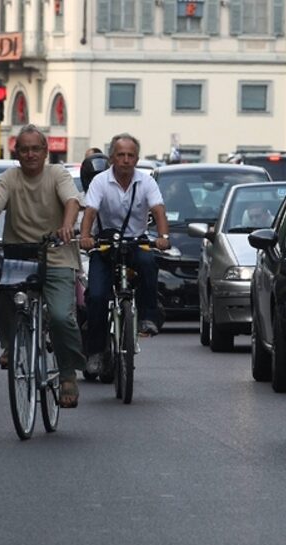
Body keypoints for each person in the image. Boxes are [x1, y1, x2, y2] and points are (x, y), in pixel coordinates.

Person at [0, 124, 85, 408]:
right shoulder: (9, 178)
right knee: (5, 297)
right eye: (24, 149)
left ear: (46, 152)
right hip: (20, 255)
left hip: (57, 254)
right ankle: (9, 345)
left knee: (61, 316)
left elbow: (72, 201)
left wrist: (66, 226)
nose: (30, 154)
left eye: (36, 149)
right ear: (17, 153)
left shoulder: (57, 174)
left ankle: (68, 373)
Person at [79, 133, 171, 378]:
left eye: (131, 155)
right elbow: (90, 211)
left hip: (135, 244)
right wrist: (86, 237)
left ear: (137, 158)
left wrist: (163, 237)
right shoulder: (100, 182)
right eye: (121, 155)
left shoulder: (146, 182)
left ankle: (147, 318)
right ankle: (97, 352)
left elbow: (158, 210)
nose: (126, 160)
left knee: (149, 263)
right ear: (112, 158)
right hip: (104, 246)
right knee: (97, 296)